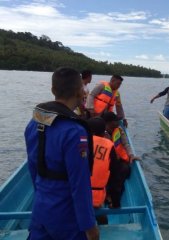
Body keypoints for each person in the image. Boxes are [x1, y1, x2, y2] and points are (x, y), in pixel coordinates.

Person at [24, 67, 99, 240]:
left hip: (41, 208)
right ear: (80, 91)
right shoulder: (74, 132)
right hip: (67, 216)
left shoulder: (34, 122)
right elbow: (79, 183)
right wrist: (89, 226)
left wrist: (42, 197)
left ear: (53, 90)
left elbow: (33, 167)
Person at [87, 117, 127, 224]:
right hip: (97, 197)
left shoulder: (79, 142)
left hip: (77, 194)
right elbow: (115, 177)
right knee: (99, 212)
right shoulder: (109, 146)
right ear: (103, 131)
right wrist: (116, 202)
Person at [102, 112, 139, 197]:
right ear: (106, 123)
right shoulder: (101, 133)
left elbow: (126, 144)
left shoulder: (119, 129)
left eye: (116, 123)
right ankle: (107, 193)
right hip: (106, 161)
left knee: (125, 169)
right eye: (113, 124)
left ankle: (113, 193)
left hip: (118, 159)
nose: (116, 125)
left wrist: (131, 155)